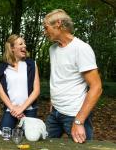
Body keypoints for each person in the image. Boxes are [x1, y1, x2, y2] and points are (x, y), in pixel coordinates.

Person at [43, 9, 102, 143]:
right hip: (55, 113)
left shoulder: (81, 48)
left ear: (58, 24)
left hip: (75, 114)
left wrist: (79, 121)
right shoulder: (52, 49)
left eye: (46, 28)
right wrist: (53, 101)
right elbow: (58, 78)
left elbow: (96, 87)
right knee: (43, 145)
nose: (44, 32)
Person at [0, 34, 40, 129]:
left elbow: (36, 90)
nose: (24, 46)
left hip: (29, 109)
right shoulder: (3, 67)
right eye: (21, 44)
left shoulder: (32, 64)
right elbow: (1, 92)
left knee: (31, 138)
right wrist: (13, 109)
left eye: (24, 44)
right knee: (5, 136)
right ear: (12, 48)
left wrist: (21, 109)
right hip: (10, 109)